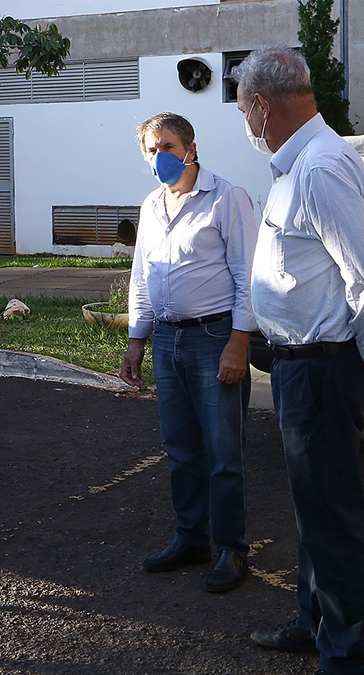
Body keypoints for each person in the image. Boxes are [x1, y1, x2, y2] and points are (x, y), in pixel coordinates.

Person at [237, 48, 364, 675]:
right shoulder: (305, 163)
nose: (244, 124)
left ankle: (343, 653)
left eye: (241, 109)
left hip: (319, 365)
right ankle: (316, 623)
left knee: (331, 513)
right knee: (313, 504)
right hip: (303, 362)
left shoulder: (320, 167)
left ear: (262, 105)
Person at [118, 112, 258, 594]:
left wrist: (238, 342)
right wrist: (137, 339)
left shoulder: (227, 197)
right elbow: (141, 276)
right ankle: (191, 538)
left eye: (168, 146)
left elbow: (248, 276)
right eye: (151, 149)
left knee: (223, 451)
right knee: (180, 448)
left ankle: (231, 549)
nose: (160, 156)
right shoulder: (151, 206)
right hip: (166, 339)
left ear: (191, 149)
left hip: (214, 337)